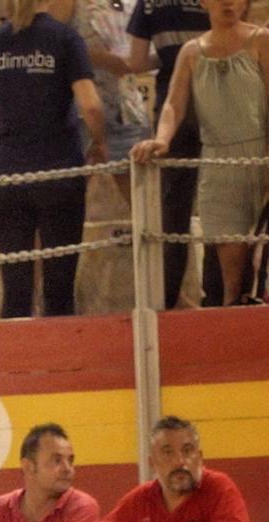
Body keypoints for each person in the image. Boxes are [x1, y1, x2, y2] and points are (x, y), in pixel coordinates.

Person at [0, 0, 107, 320]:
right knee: (59, 284)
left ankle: (16, 366)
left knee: (16, 287)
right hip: (58, 168)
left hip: (5, 175)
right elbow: (91, 106)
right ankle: (62, 363)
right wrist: (99, 141)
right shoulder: (65, 38)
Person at [129, 0, 269, 307]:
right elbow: (173, 105)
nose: (228, 2)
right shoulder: (191, 52)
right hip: (218, 167)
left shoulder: (262, 40)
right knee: (232, 281)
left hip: (261, 161)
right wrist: (161, 139)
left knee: (262, 271)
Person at [82, 416, 252, 522]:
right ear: (152, 463)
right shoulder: (140, 498)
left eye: (187, 451)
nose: (180, 461)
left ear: (200, 457)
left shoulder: (218, 486)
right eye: (168, 453)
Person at [125, 0, 214, 308]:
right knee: (222, 201)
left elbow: (135, 62)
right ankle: (218, 296)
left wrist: (168, 57)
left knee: (174, 209)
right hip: (217, 94)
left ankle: (165, 299)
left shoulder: (149, 3)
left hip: (173, 104)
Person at [66, 0, 151, 202]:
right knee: (63, 196)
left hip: (127, 105)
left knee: (143, 203)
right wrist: (104, 60)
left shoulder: (133, 3)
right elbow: (53, 42)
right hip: (82, 107)